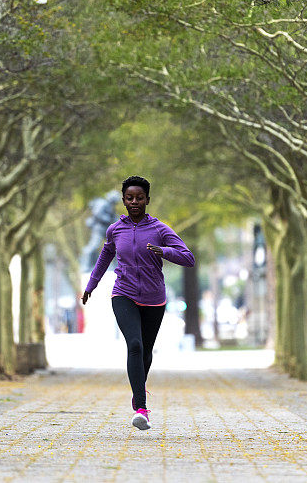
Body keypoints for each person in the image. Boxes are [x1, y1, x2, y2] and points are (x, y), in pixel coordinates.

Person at [82, 176, 195, 430]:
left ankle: (137, 389)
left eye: (139, 198)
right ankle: (142, 408)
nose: (134, 202)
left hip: (155, 299)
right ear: (123, 201)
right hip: (124, 293)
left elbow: (189, 258)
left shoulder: (160, 229)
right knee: (134, 344)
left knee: (145, 352)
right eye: (129, 198)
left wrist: (163, 251)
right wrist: (91, 285)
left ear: (147, 200)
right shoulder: (115, 230)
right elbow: (104, 257)